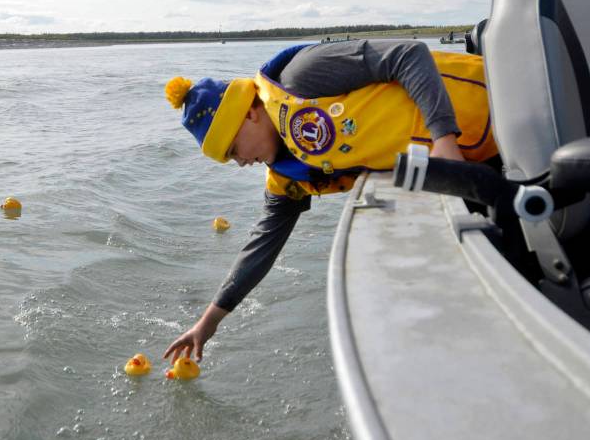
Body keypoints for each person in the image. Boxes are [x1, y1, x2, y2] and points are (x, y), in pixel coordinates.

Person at [162, 40, 498, 363]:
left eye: (233, 150)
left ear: (249, 114)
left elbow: (408, 54)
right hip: (484, 162)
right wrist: (207, 323)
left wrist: (443, 138)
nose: (240, 162)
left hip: (499, 101)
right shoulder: (289, 175)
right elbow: (261, 247)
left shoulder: (302, 75)